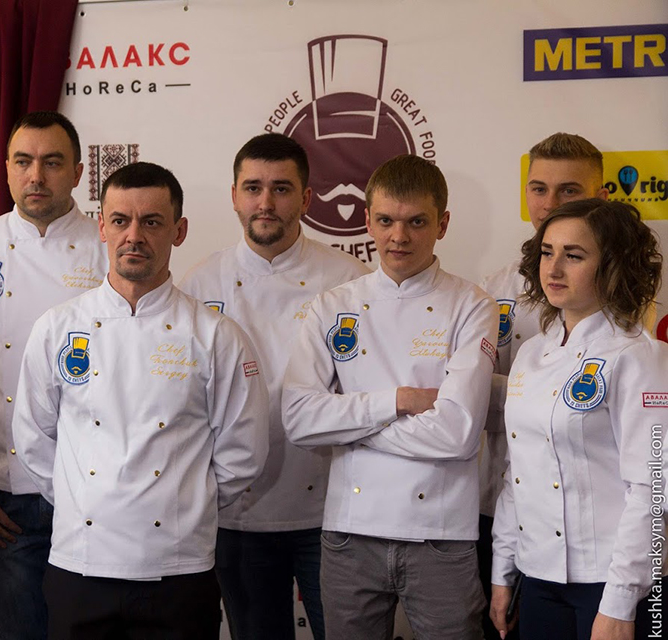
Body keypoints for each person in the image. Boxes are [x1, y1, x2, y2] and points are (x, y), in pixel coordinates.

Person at [11, 161, 269, 639]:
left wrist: (184, 505)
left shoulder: (215, 335)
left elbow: (243, 452)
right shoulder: (58, 328)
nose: (134, 236)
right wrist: (83, 498)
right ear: (102, 228)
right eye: (120, 221)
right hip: (80, 561)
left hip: (178, 568)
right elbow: (33, 438)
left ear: (178, 231)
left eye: (151, 222)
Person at [283, 154, 498, 639]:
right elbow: (298, 418)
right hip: (348, 533)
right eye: (385, 221)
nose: (398, 237)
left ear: (442, 224)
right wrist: (399, 401)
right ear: (367, 221)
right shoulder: (332, 306)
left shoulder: (472, 305)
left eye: (416, 222)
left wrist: (348, 429)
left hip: (441, 536)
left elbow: (458, 434)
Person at [179, 133, 368, 640]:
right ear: (234, 196)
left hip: (332, 508)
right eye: (253, 188)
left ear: (306, 199)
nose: (266, 202)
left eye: (281, 189)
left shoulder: (350, 281)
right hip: (238, 513)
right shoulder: (198, 285)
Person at [0, 111, 107, 640]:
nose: (36, 176)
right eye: (23, 161)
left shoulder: (110, 249)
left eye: (52, 162)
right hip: (5, 496)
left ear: (77, 172)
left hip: (98, 488)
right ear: (7, 169)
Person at [490, 199, 666, 640]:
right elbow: (518, 470)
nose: (553, 269)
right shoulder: (531, 354)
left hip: (614, 584)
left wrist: (620, 602)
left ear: (612, 266)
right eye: (547, 252)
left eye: (574, 255)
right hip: (537, 577)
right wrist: (503, 569)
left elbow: (653, 488)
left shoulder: (639, 357)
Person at [477, 132, 609, 640]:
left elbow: (649, 465)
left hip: (598, 533)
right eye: (538, 189)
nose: (549, 203)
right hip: (505, 506)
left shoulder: (632, 303)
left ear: (601, 196)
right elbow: (469, 398)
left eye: (568, 190)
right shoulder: (492, 288)